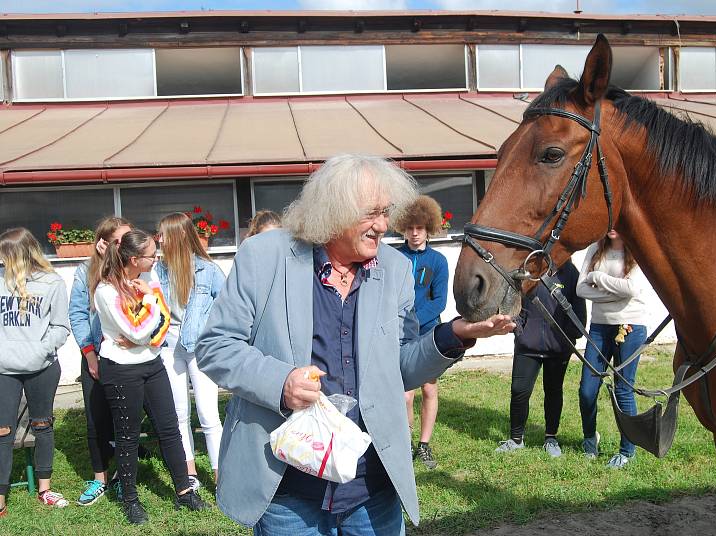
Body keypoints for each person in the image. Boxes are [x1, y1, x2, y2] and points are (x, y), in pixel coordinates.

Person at [195, 154, 514, 535]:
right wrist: (280, 382)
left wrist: (455, 334)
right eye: (372, 214)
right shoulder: (265, 256)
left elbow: (401, 367)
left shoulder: (394, 270)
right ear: (334, 210)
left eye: (386, 212)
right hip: (289, 486)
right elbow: (215, 345)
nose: (383, 225)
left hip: (372, 486)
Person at [91, 229, 208, 524]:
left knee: (170, 428)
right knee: (128, 436)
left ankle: (184, 491)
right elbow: (138, 330)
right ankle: (130, 500)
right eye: (150, 255)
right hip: (120, 369)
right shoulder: (106, 292)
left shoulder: (149, 280)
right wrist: (151, 315)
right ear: (133, 259)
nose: (156, 258)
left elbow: (164, 323)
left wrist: (151, 307)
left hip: (152, 364)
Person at [0, 227, 71, 516]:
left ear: (19, 253)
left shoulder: (52, 282)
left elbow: (60, 327)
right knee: (3, 431)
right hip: (4, 369)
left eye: (5, 254)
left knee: (42, 425)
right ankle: (1, 497)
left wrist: (42, 349)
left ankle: (45, 489)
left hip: (42, 367)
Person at [154, 212, 225, 489]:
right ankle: (190, 474)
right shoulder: (157, 270)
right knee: (179, 414)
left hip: (200, 349)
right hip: (167, 347)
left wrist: (216, 335)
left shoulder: (207, 270)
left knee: (209, 415)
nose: (159, 239)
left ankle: (220, 477)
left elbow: (228, 306)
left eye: (163, 234)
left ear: (180, 235)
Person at [68, 216, 132, 506]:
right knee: (96, 419)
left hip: (126, 356)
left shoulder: (131, 270)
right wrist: (89, 354)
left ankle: (122, 475)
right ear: (103, 243)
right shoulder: (85, 272)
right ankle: (100, 478)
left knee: (124, 417)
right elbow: (78, 314)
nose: (125, 245)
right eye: (120, 240)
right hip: (95, 353)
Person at [495, 259, 586, 457]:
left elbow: (579, 313)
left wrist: (566, 337)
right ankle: (516, 439)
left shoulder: (570, 273)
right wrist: (520, 330)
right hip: (527, 346)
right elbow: (514, 302)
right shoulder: (529, 270)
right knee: (519, 391)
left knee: (553, 392)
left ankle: (551, 438)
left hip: (558, 349)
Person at [576, 229, 648, 469]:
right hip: (599, 327)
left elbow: (633, 290)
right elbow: (580, 289)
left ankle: (626, 451)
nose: (612, 226)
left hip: (630, 326)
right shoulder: (595, 250)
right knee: (587, 390)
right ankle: (589, 439)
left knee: (623, 390)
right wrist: (615, 293)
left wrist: (597, 277)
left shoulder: (636, 250)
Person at [394, 195, 449, 470]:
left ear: (429, 228)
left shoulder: (438, 261)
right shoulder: (394, 257)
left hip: (428, 331)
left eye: (420, 228)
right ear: (404, 228)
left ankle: (424, 445)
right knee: (405, 392)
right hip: (400, 331)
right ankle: (404, 440)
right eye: (410, 228)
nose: (415, 234)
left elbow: (439, 301)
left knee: (429, 388)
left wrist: (415, 320)